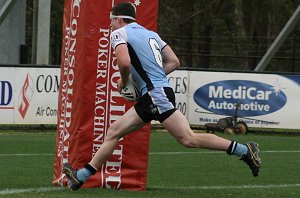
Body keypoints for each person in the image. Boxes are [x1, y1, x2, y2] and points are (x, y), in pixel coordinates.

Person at [63, 1, 261, 191]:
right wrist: (149, 81)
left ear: (120, 19)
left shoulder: (119, 33)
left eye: (112, 20)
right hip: (156, 93)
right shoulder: (151, 34)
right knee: (114, 131)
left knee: (188, 139)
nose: (111, 24)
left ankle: (244, 151)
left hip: (155, 95)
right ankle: (80, 177)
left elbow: (124, 63)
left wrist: (125, 82)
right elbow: (174, 61)